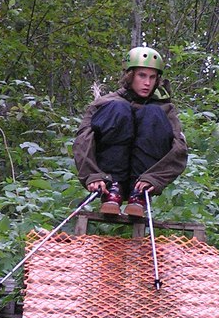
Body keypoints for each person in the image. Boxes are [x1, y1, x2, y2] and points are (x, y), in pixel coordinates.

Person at [73, 45, 188, 217]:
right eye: (142, 75)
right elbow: (83, 140)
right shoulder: (106, 103)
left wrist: (155, 178)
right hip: (108, 178)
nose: (147, 83)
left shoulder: (165, 110)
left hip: (144, 180)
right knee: (118, 108)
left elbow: (179, 150)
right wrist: (92, 175)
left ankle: (138, 195)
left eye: (152, 77)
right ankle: (114, 188)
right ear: (130, 75)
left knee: (153, 113)